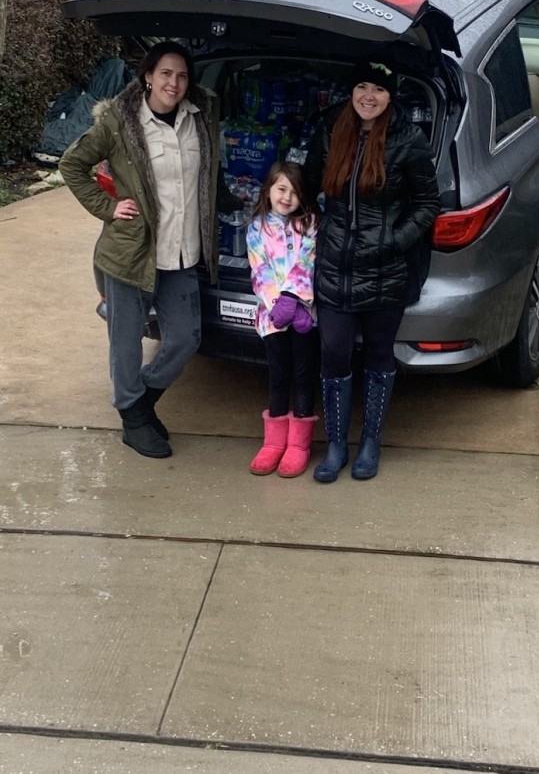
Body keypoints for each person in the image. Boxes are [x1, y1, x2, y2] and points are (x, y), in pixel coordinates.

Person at [59, 41, 242, 459]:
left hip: (182, 253)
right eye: (165, 74)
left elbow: (208, 170)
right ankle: (132, 417)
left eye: (181, 75)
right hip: (130, 254)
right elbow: (72, 164)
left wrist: (234, 200)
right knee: (125, 344)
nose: (173, 83)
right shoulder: (120, 123)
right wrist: (108, 207)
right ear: (147, 76)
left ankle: (140, 404)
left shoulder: (201, 116)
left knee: (184, 339)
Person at [304, 60, 441, 482]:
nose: (369, 96)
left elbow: (427, 203)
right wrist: (307, 222)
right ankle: (336, 445)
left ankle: (371, 442)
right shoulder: (330, 131)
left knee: (380, 356)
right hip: (333, 268)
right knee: (333, 355)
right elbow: (309, 185)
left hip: (385, 271)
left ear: (390, 95)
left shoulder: (408, 139)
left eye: (378, 89)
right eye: (362, 86)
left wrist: (394, 241)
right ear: (351, 91)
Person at [246, 161, 320, 478]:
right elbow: (259, 270)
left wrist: (296, 301)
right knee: (278, 375)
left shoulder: (310, 223)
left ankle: (299, 445)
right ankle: (274, 443)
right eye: (281, 189)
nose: (287, 197)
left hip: (304, 315)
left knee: (304, 375)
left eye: (294, 192)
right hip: (272, 318)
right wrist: (277, 304)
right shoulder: (256, 228)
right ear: (269, 190)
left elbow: (308, 260)